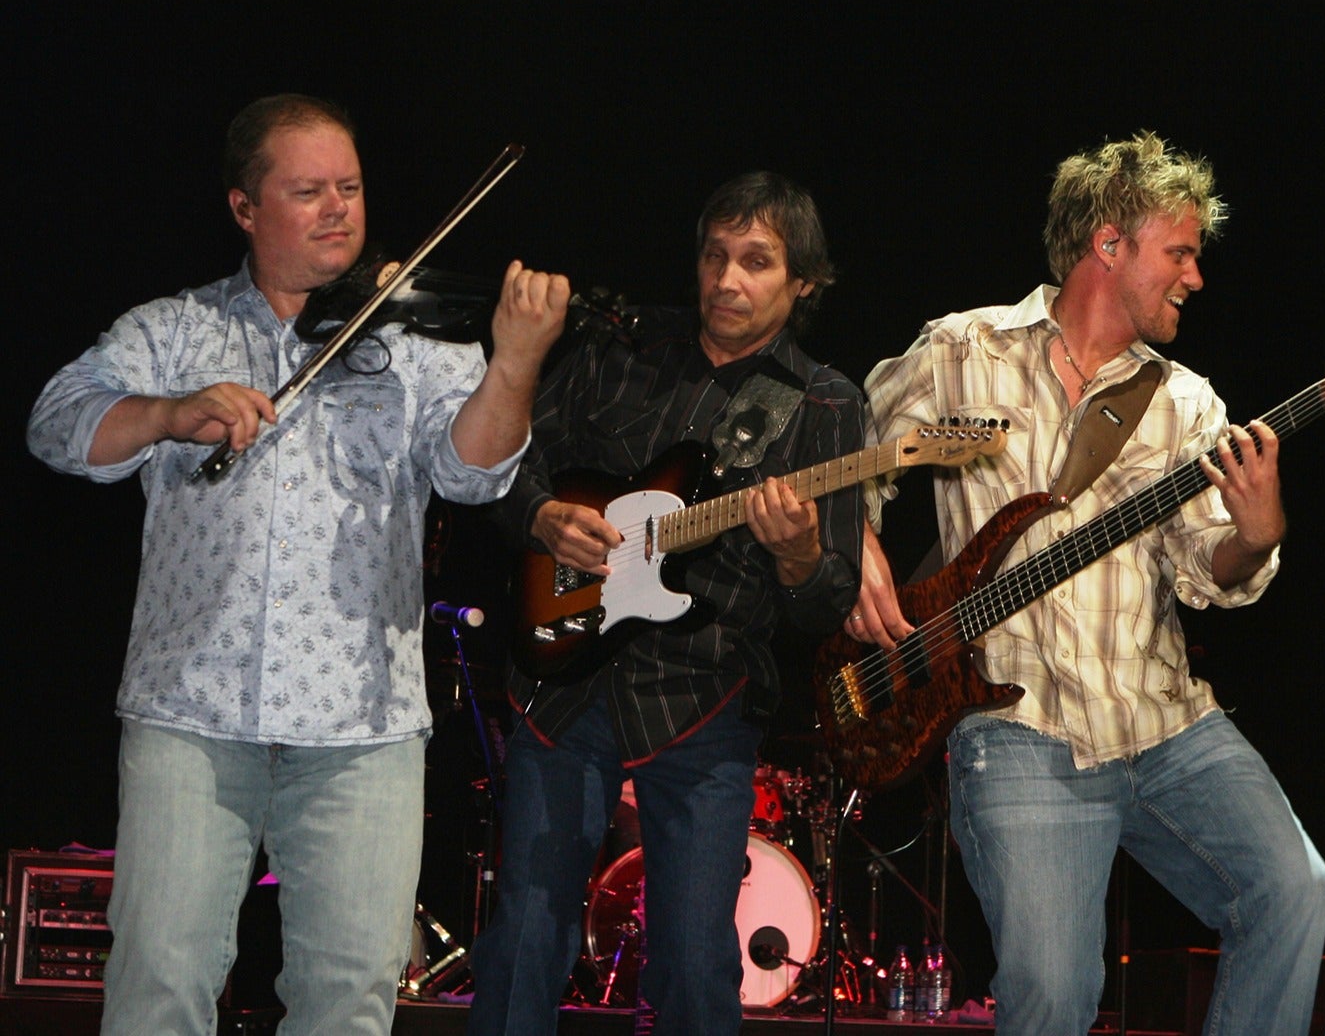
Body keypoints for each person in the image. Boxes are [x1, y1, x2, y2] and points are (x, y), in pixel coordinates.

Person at [25, 93, 568, 1036]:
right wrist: (164, 413)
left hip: (359, 727)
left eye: (350, 189)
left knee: (349, 1000)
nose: (338, 210)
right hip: (190, 715)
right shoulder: (173, 330)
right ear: (244, 208)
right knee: (159, 985)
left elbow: (473, 475)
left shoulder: (412, 338)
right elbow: (56, 424)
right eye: (308, 190)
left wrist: (513, 364)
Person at [848, 132, 1325, 1036]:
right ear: (1108, 245)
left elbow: (1207, 570)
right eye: (1179, 252)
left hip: (1165, 722)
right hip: (1017, 725)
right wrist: (861, 550)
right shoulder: (963, 348)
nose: (1195, 277)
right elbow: (844, 460)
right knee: (1054, 990)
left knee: (1296, 891)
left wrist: (1258, 537)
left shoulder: (1187, 403)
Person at [464, 171, 864, 1035]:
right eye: (715, 255)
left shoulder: (826, 403)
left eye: (756, 262)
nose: (726, 279)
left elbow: (825, 605)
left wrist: (798, 557)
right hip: (567, 677)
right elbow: (496, 468)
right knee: (527, 938)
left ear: (803, 283)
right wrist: (540, 515)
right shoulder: (622, 348)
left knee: (693, 960)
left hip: (702, 698)